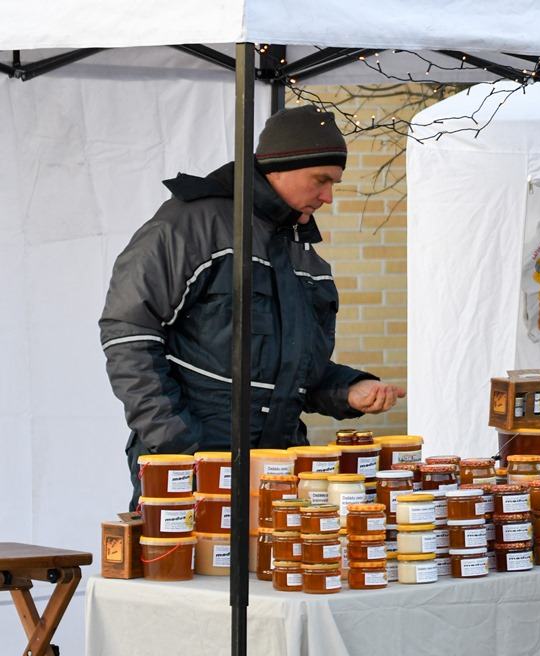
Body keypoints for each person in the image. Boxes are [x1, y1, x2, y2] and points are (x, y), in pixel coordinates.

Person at [99, 105, 405, 508]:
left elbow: (297, 370)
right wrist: (179, 444)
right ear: (279, 167)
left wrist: (348, 390)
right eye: (321, 180)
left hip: (277, 471)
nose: (329, 197)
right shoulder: (191, 225)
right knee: (188, 574)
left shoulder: (304, 254)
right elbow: (128, 333)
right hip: (191, 470)